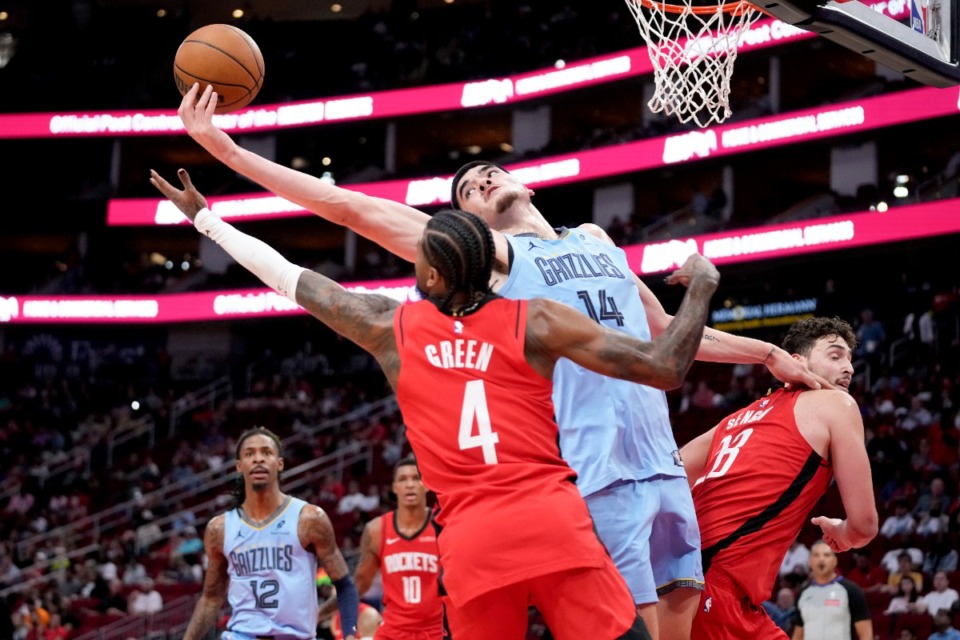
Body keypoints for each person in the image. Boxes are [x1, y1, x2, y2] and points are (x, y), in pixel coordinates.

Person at [174, 83, 830, 640]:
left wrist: (768, 353)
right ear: (471, 235)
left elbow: (665, 332)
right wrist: (229, 152)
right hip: (586, 479)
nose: (480, 179)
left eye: (487, 171)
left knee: (683, 615)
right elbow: (352, 208)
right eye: (466, 191)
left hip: (651, 463)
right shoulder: (510, 278)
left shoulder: (594, 241)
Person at [151, 167, 723, 640]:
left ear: (426, 272)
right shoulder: (537, 320)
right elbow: (668, 365)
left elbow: (289, 277)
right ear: (490, 266)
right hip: (555, 521)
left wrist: (206, 218)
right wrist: (701, 285)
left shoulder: (390, 329)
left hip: (473, 543)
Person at [680, 317, 878, 639]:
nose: (849, 368)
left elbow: (670, 471)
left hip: (685, 580)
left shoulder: (734, 420)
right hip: (716, 588)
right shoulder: (837, 404)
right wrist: (843, 533)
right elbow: (864, 525)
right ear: (795, 361)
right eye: (835, 355)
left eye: (850, 360)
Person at [182, 427, 361, 640]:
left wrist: (350, 633)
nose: (258, 459)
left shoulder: (310, 519)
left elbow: (344, 584)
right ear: (239, 466)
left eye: (266, 453)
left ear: (280, 464)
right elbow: (211, 599)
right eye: (250, 454)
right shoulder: (219, 529)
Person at [319, 456, 443, 640]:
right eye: (402, 479)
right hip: (393, 632)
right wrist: (319, 614)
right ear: (394, 487)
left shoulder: (442, 525)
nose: (409, 484)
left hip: (436, 631)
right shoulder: (377, 530)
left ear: (426, 484)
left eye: (415, 478)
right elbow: (358, 586)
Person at [793, 541, 873, 640]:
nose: (821, 559)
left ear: (835, 561)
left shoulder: (851, 590)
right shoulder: (803, 593)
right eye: (816, 555)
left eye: (826, 555)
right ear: (810, 561)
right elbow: (798, 634)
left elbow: (866, 635)